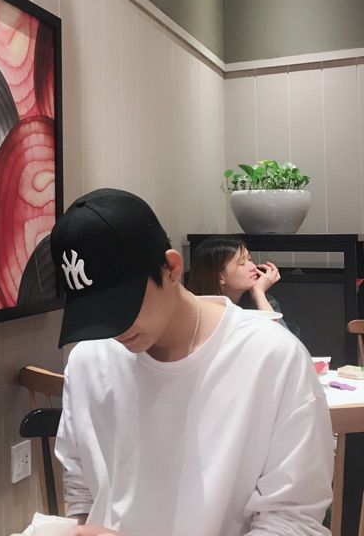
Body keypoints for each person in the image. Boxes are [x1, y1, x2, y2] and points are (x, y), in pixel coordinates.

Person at [49, 188, 333, 536]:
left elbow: (293, 522)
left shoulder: (272, 357)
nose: (114, 329)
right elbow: (82, 494)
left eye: (122, 307)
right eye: (95, 315)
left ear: (171, 267)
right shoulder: (88, 360)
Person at [187, 235, 301, 336]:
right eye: (242, 263)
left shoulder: (261, 300)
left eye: (250, 259)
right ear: (220, 277)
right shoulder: (200, 311)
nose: (253, 267)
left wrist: (258, 292)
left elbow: (283, 342)